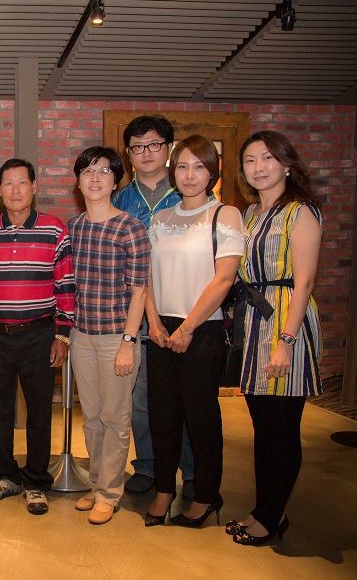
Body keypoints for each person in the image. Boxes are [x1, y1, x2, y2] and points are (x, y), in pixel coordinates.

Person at [0, 158, 75, 516]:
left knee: (40, 410)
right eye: (7, 183)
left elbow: (65, 285)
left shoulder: (54, 230)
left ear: (34, 187)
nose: (15, 190)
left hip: (40, 335)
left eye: (22, 182)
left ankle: (36, 482)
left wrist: (62, 335)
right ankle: (4, 477)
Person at [143, 135, 244, 528]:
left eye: (199, 167)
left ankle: (206, 495)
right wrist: (153, 321)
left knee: (201, 418)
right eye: (182, 166)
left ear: (212, 172)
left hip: (202, 328)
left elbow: (224, 279)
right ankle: (164, 490)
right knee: (162, 416)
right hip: (160, 329)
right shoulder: (161, 219)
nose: (189, 175)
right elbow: (147, 276)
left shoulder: (225, 215)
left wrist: (186, 328)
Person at [228, 131, 323, 546]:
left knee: (282, 427)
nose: (258, 167)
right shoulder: (250, 213)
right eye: (250, 160)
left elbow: (304, 282)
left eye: (267, 158)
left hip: (286, 321)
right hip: (254, 321)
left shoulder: (300, 213)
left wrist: (286, 340)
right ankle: (264, 508)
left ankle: (272, 516)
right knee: (263, 426)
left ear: (286, 164)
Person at [113, 115, 195, 498]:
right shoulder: (119, 199)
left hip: (182, 306)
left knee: (186, 394)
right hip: (133, 310)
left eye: (154, 144)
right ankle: (147, 465)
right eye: (137, 147)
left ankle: (191, 470)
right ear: (128, 154)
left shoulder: (187, 193)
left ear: (168, 149)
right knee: (140, 397)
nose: (146, 152)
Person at [68, 147, 151, 525]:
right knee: (91, 418)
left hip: (117, 336)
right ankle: (97, 483)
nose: (95, 178)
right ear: (78, 180)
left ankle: (109, 493)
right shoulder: (74, 227)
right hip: (81, 335)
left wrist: (128, 343)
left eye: (103, 171)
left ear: (116, 180)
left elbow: (139, 291)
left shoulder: (130, 228)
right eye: (88, 171)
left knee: (115, 418)